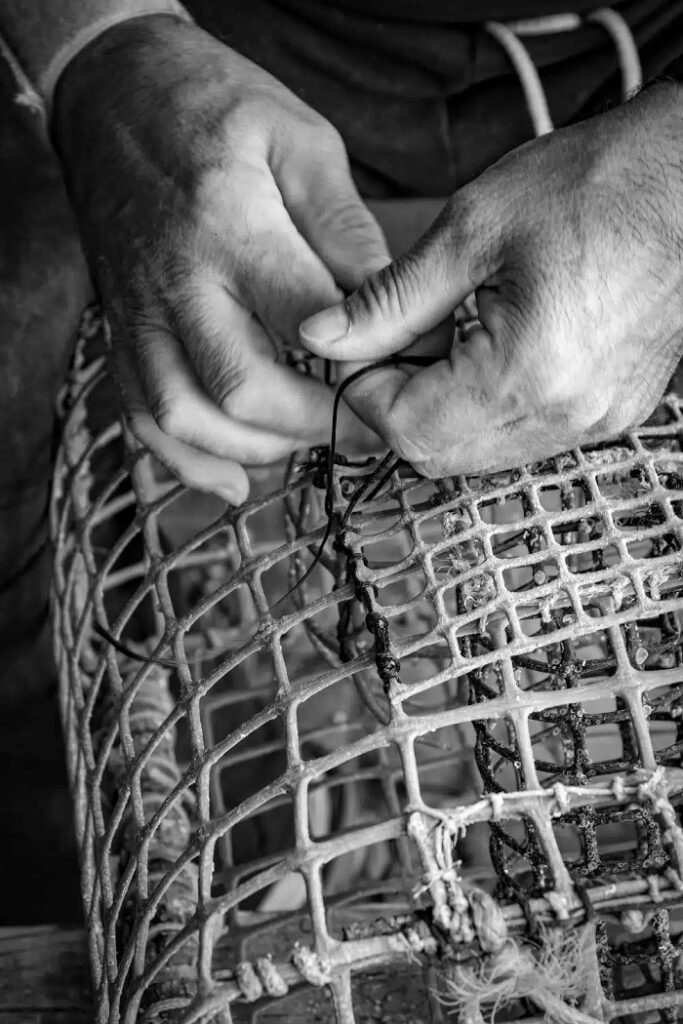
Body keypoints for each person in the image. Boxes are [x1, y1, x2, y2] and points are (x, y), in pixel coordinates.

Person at [0, 0, 681, 923]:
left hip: (658, 73)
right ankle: (98, 868)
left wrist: (669, 191)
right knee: (21, 324)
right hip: (231, 37)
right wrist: (100, 54)